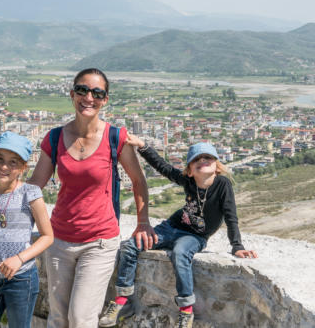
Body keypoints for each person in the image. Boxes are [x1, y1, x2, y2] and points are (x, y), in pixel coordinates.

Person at [28, 68, 157, 328]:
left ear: (105, 99)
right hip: (59, 239)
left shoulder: (115, 138)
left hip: (99, 242)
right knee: (58, 318)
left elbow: (138, 180)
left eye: (97, 93)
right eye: (82, 90)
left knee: (81, 318)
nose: (89, 97)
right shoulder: (54, 138)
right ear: (72, 94)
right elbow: (34, 187)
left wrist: (143, 222)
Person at [99, 135, 258, 328]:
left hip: (195, 236)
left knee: (180, 253)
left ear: (217, 166)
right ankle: (122, 302)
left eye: (207, 158)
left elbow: (230, 216)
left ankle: (185, 311)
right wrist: (143, 147)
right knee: (130, 246)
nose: (202, 161)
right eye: (196, 160)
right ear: (190, 171)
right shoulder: (188, 182)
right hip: (171, 227)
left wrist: (237, 246)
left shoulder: (222, 185)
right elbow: (164, 167)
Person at [0, 131, 54, 328]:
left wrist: (19, 258)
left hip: (21, 279)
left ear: (23, 167)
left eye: (13, 162)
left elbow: (48, 236)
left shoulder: (30, 194)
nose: (4, 167)